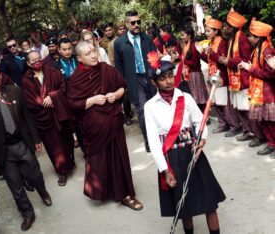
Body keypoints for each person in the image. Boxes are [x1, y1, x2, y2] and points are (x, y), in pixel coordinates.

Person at [144, 59, 225, 234]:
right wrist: (165, 170)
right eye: (163, 78)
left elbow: (199, 122)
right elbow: (154, 142)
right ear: (154, 82)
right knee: (183, 206)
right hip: (172, 158)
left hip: (193, 153)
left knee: (210, 203)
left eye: (170, 76)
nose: (168, 81)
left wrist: (201, 139)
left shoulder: (185, 97)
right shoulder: (150, 106)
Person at [68, 40, 143, 210]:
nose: (93, 55)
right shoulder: (75, 79)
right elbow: (72, 104)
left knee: (118, 157)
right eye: (87, 53)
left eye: (93, 51)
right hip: (94, 128)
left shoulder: (107, 69)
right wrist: (92, 100)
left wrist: (116, 95)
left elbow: (122, 86)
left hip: (114, 122)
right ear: (79, 58)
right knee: (100, 160)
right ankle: (104, 190)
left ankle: (124, 194)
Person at [0, 65, 52, 231]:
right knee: (15, 185)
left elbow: (27, 117)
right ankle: (27, 213)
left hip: (22, 142)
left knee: (35, 175)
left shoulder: (14, 91)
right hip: (4, 151)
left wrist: (35, 138)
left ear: (1, 75)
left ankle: (43, 192)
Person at [22, 51, 75, 186]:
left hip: (59, 112)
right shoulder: (26, 80)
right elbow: (29, 100)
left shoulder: (53, 71)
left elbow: (62, 88)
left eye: (38, 58)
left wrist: (52, 97)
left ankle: (70, 160)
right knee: (53, 145)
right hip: (43, 118)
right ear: (28, 63)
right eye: (33, 60)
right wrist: (43, 102)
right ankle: (61, 171)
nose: (37, 61)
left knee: (67, 139)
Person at [114, 9, 157, 152]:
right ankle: (149, 139)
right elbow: (119, 67)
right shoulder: (120, 43)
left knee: (155, 106)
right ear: (127, 24)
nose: (137, 25)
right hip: (134, 80)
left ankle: (159, 134)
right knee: (143, 109)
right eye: (133, 23)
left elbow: (154, 57)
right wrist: (124, 84)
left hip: (149, 77)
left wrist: (155, 75)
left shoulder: (148, 39)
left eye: (138, 22)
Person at [219, 8, 257, 140]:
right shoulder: (233, 38)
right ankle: (247, 130)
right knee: (240, 108)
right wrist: (227, 60)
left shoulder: (241, 38)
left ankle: (253, 132)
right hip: (235, 77)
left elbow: (246, 59)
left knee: (245, 108)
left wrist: (228, 61)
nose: (224, 29)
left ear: (232, 27)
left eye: (226, 26)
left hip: (243, 78)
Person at [239, 18, 275, 156]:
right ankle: (271, 144)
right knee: (263, 120)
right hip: (259, 91)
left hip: (267, 93)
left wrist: (251, 69)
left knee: (270, 121)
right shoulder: (259, 49)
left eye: (251, 36)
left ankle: (273, 144)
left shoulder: (268, 51)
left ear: (259, 38)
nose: (249, 38)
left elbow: (271, 75)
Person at [199, 17, 240, 135]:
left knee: (225, 103)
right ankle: (223, 124)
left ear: (216, 31)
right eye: (206, 31)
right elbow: (210, 61)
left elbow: (221, 61)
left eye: (208, 31)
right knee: (216, 102)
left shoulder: (222, 43)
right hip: (213, 75)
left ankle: (234, 126)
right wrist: (202, 53)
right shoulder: (211, 42)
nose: (206, 33)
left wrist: (211, 54)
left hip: (221, 76)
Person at [181, 27, 209, 115]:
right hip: (189, 73)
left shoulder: (194, 45)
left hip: (195, 74)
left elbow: (194, 63)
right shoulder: (186, 45)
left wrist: (182, 60)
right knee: (195, 96)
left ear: (189, 36)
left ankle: (204, 116)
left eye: (183, 35)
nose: (181, 37)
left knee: (199, 96)